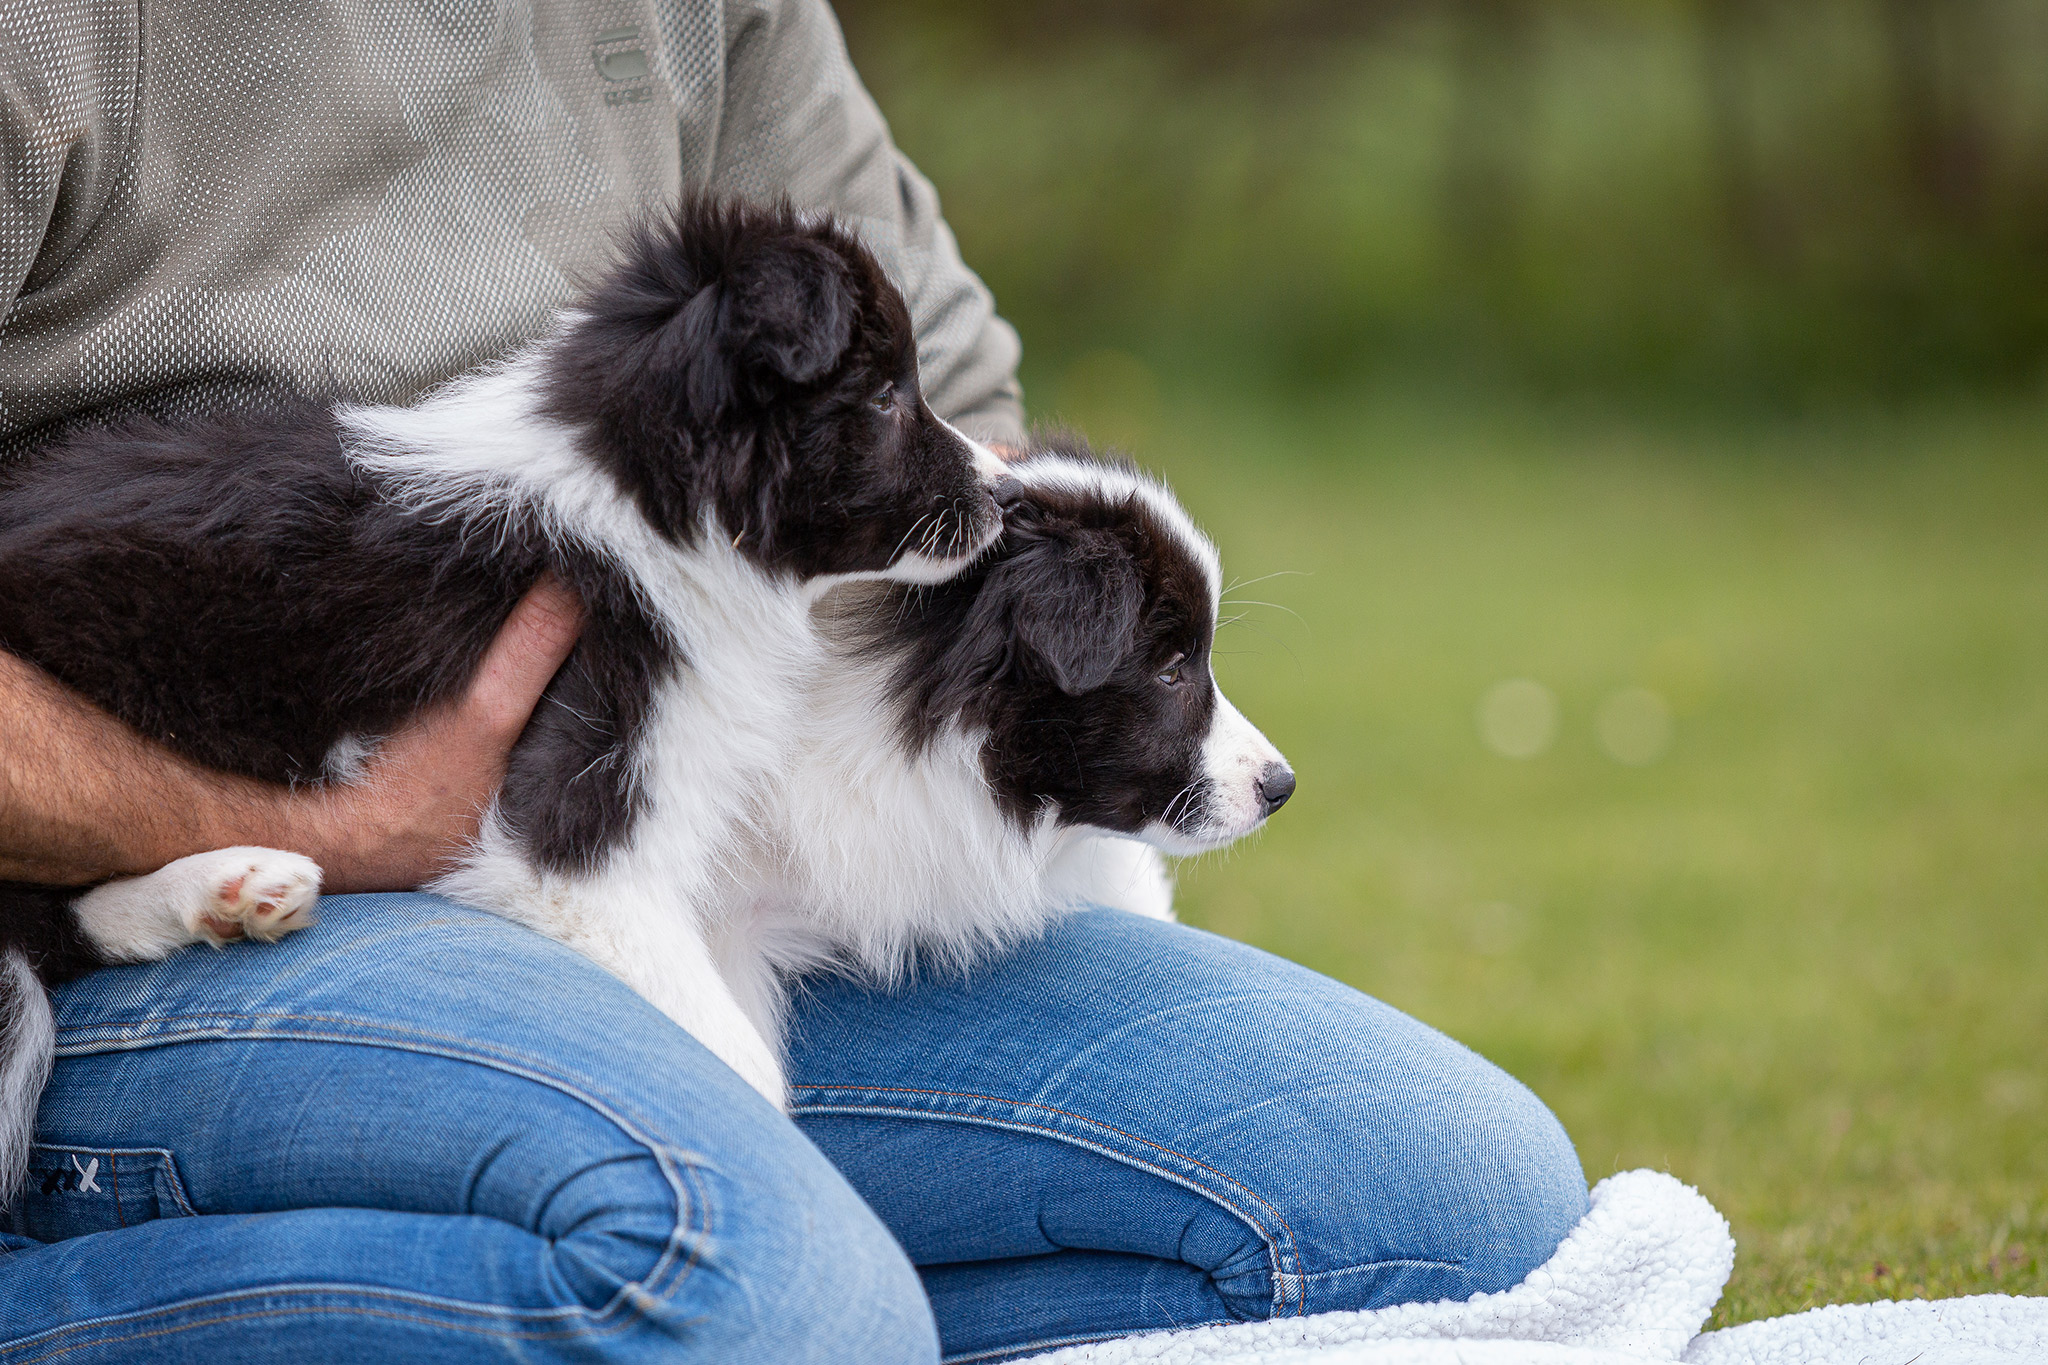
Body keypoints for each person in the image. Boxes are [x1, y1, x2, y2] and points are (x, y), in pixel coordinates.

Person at [0, 3, 1589, 1360]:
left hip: (697, 861)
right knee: (768, 1305)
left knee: (1450, 1201)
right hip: (166, 900)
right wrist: (322, 820)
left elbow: (963, 453)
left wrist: (879, 795)